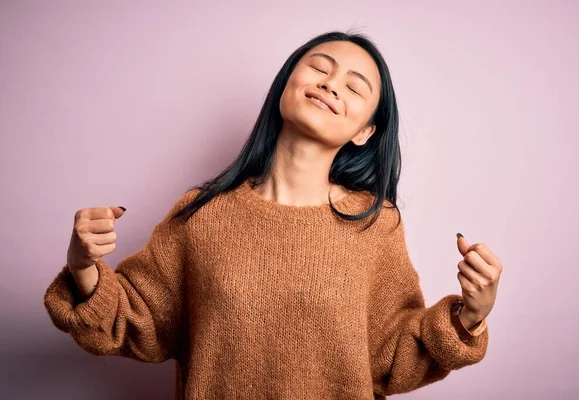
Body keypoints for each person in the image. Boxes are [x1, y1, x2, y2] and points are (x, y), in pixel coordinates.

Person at [44, 31, 503, 399]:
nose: (330, 83)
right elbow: (138, 324)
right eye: (319, 68)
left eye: (354, 86)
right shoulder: (201, 215)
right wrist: (84, 267)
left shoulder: (375, 225)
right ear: (287, 84)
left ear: (365, 131)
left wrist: (470, 316)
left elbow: (391, 358)